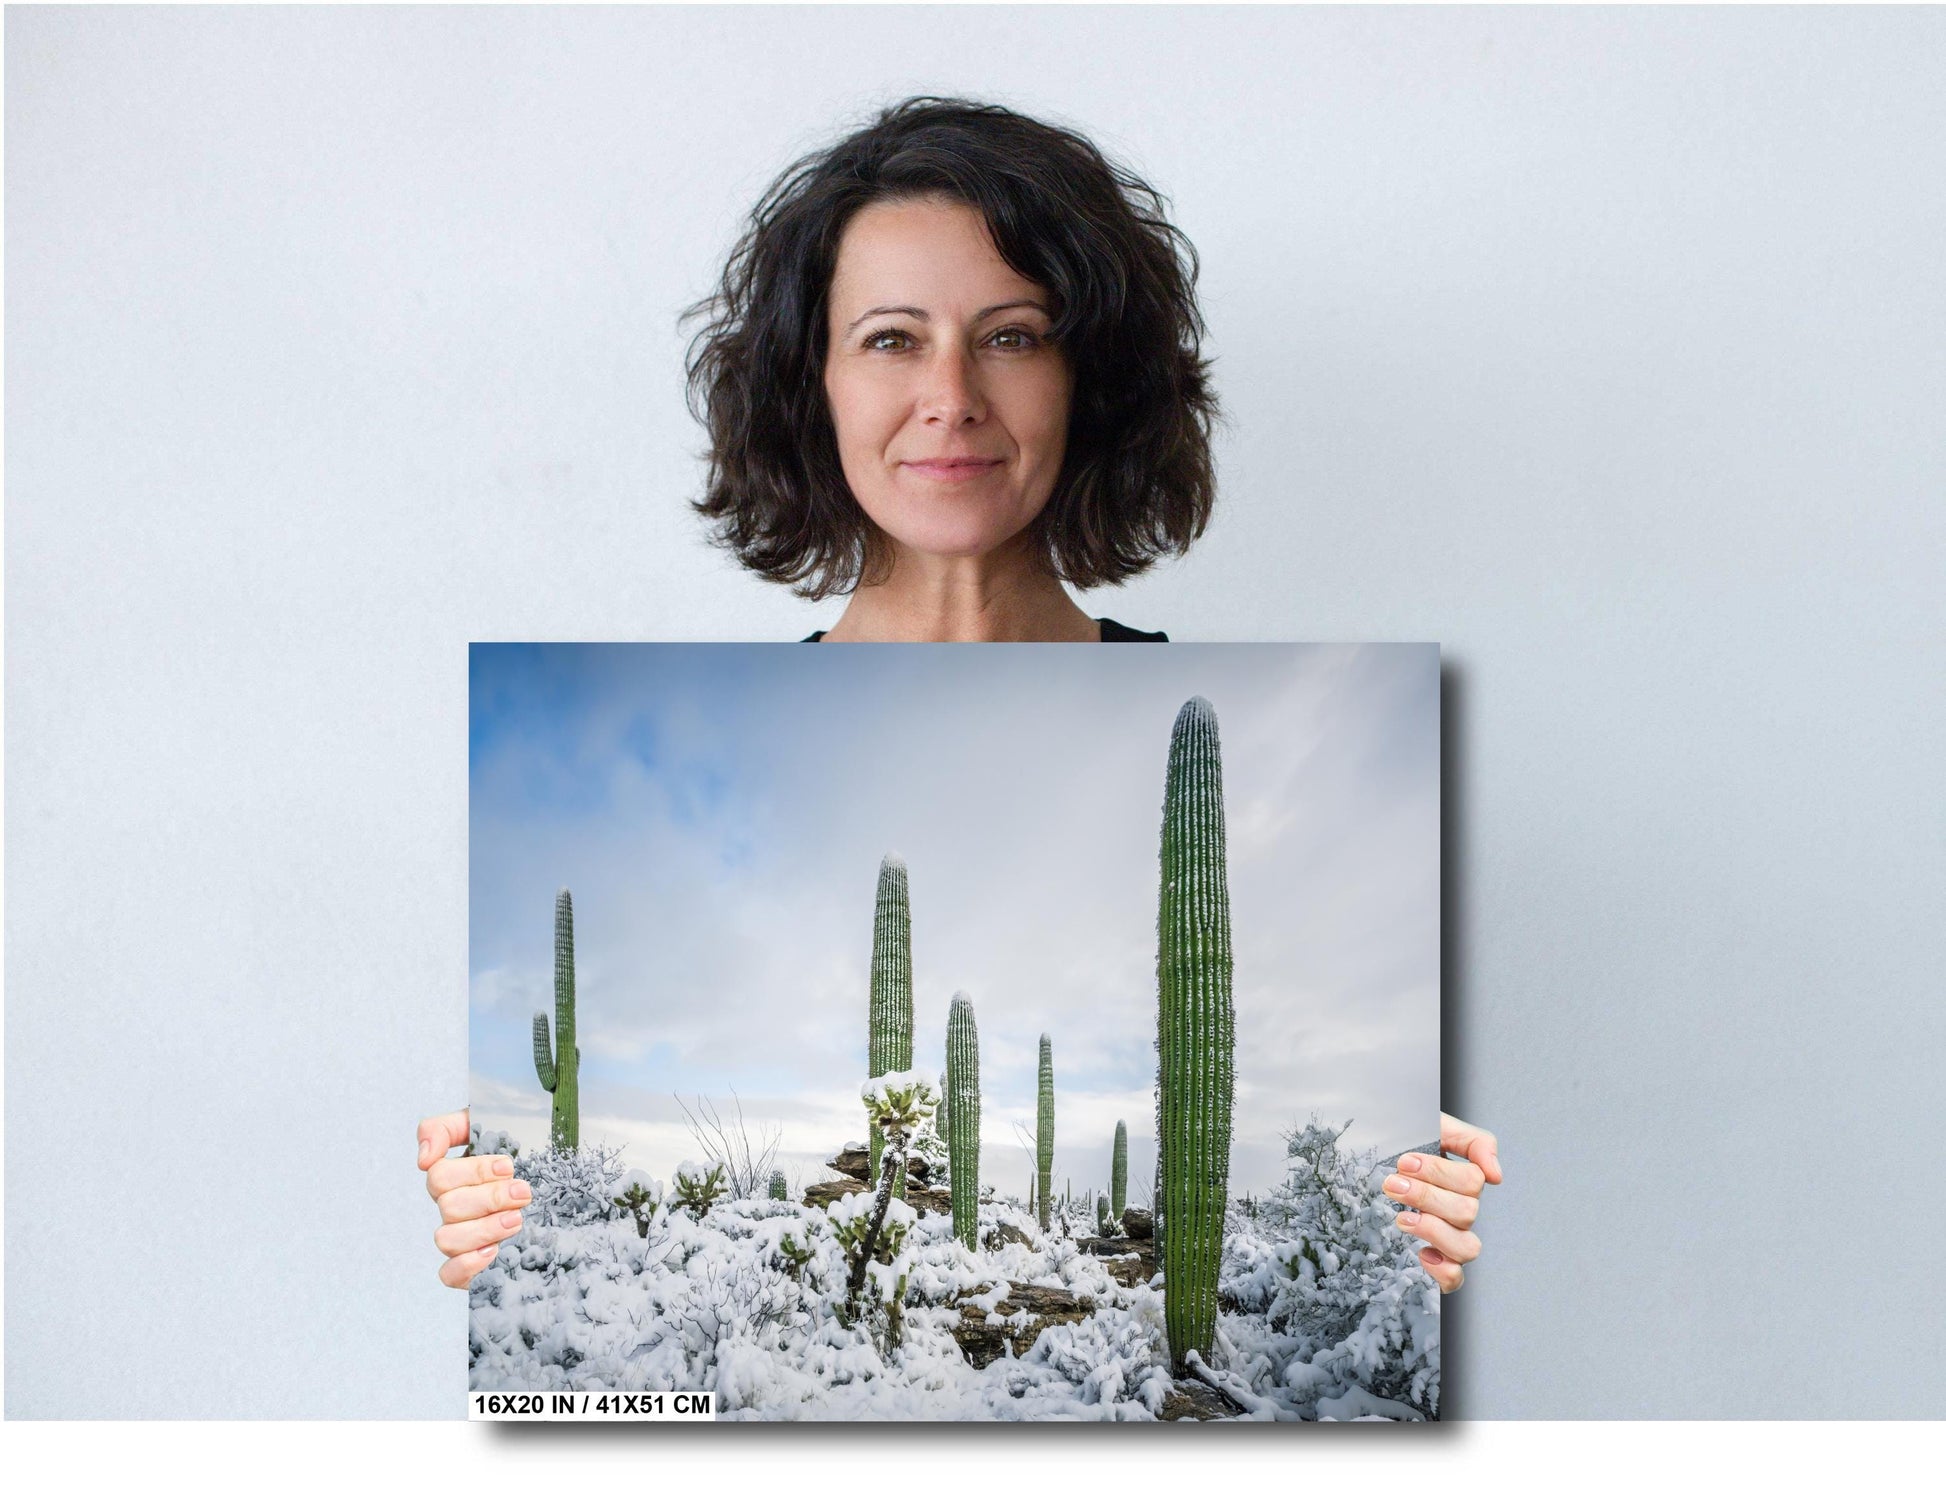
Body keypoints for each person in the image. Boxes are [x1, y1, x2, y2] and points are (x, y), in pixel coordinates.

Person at [420, 96, 1502, 1292]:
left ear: (1087, 378)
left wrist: (1426, 1229)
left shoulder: (1239, 731)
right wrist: (488, 1229)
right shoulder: (740, 724)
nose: (952, 395)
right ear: (812, 381)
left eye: (1012, 335)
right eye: (890, 337)